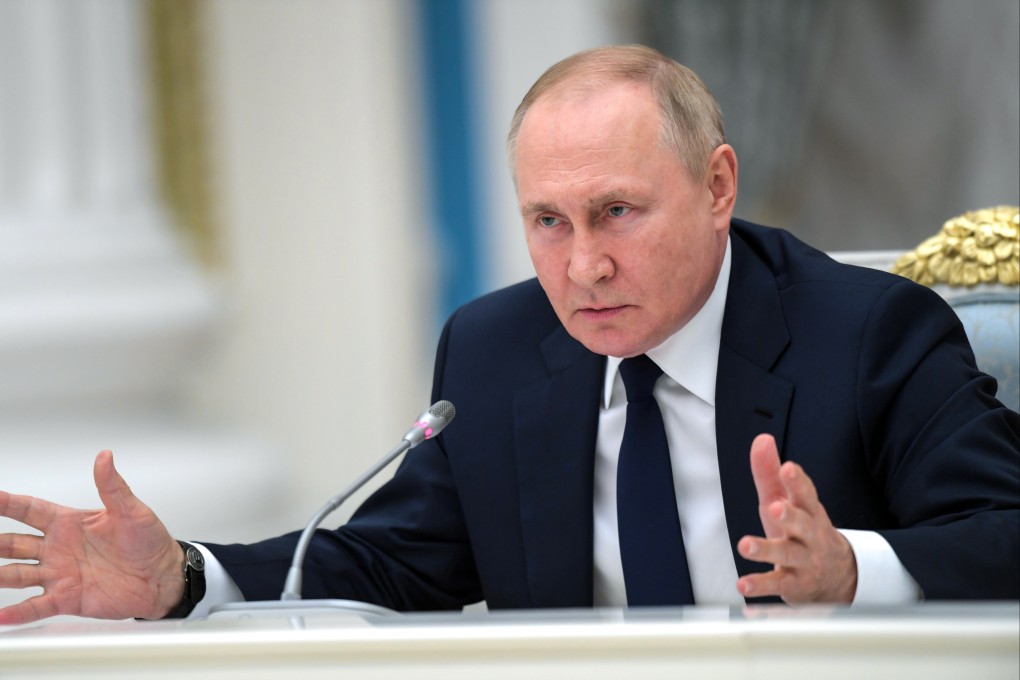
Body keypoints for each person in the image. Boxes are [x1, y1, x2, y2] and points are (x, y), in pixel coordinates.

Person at [1, 45, 1017, 626]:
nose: (583, 266)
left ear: (717, 187)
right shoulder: (494, 351)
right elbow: (390, 561)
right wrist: (181, 575)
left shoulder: (870, 332)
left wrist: (853, 567)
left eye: (617, 211)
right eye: (549, 221)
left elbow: (1004, 528)